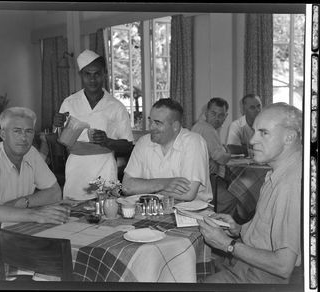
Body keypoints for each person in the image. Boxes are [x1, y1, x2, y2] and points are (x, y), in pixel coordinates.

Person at [198, 102, 302, 283]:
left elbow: (283, 266)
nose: (252, 140)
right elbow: (267, 232)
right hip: (248, 263)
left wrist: (227, 244)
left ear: (289, 137)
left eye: (264, 132)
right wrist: (238, 229)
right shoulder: (278, 172)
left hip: (265, 276)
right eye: (254, 131)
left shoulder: (290, 182)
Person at [0, 107, 70, 277]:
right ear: (3, 134)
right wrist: (36, 214)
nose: (23, 138)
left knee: (55, 261)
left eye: (29, 131)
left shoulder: (31, 154)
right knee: (10, 270)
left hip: (18, 230)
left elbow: (55, 193)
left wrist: (22, 203)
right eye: (17, 131)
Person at [53, 49, 133, 201]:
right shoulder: (69, 103)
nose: (92, 79)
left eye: (97, 73)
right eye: (87, 74)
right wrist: (58, 126)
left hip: (105, 167)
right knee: (74, 216)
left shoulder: (116, 106)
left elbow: (128, 145)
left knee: (107, 212)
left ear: (104, 74)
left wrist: (107, 141)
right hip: (76, 168)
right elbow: (60, 142)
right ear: (80, 75)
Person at [122, 98, 212, 202]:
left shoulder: (194, 142)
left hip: (192, 213)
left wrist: (146, 188)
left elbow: (188, 194)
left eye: (157, 123)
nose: (151, 127)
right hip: (153, 210)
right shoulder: (143, 142)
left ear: (175, 126)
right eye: (150, 121)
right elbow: (127, 187)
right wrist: (165, 183)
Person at [191, 97, 231, 175]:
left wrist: (213, 159)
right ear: (206, 112)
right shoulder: (208, 130)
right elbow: (221, 159)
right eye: (213, 113)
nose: (216, 118)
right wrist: (229, 154)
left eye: (221, 115)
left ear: (225, 116)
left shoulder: (198, 125)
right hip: (206, 177)